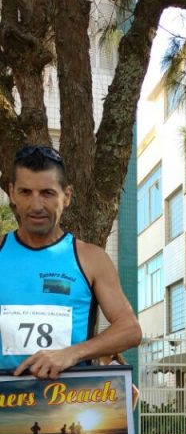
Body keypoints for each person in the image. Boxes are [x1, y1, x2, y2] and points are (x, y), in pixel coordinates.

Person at [0, 145, 141, 377]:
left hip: (70, 397)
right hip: (7, 397)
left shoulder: (91, 259)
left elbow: (130, 330)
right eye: (25, 192)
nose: (36, 205)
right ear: (12, 193)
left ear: (66, 196)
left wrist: (73, 353)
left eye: (47, 193)